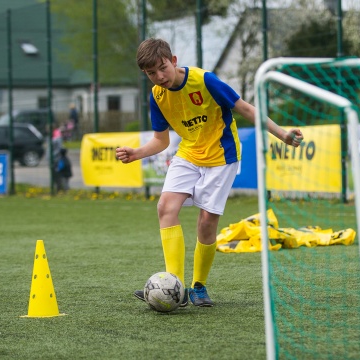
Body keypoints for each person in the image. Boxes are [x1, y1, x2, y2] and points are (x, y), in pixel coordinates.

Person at [116, 38, 303, 308]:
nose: (159, 77)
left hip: (221, 157)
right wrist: (136, 153)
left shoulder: (206, 81)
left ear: (174, 61)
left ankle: (199, 286)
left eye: (162, 68)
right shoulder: (157, 95)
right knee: (165, 207)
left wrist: (283, 134)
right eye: (150, 73)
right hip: (189, 154)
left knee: (206, 222)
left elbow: (246, 109)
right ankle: (175, 286)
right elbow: (161, 140)